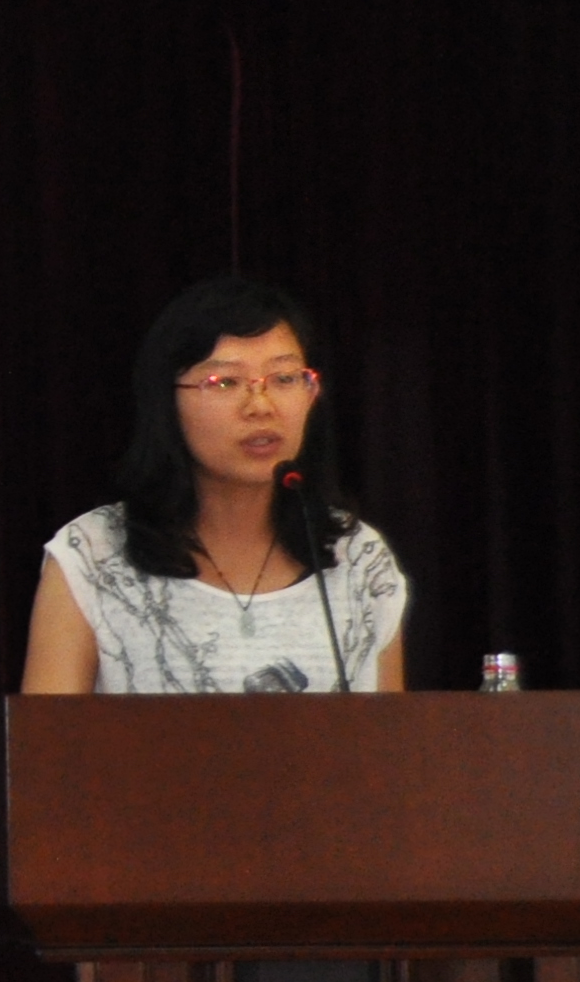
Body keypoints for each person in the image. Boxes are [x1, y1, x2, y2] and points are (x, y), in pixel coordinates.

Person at [22, 273, 410, 696]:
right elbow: (46, 736)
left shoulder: (358, 560)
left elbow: (388, 734)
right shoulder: (94, 556)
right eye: (224, 382)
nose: (260, 406)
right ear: (166, 401)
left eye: (284, 378)